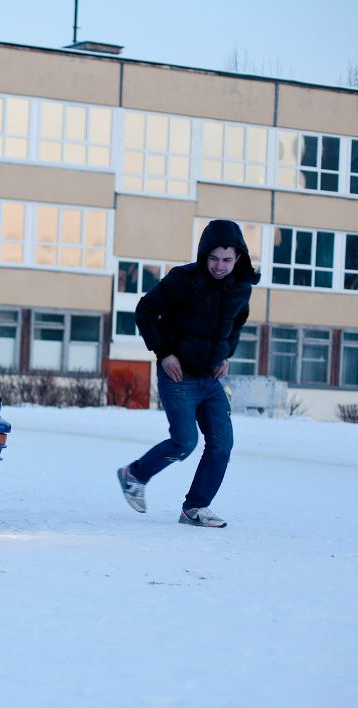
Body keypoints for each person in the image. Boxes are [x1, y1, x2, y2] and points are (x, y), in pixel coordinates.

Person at [116, 219, 260, 528]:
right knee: (184, 441)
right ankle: (134, 475)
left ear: (238, 258)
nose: (219, 266)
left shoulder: (241, 288)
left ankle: (195, 508)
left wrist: (227, 354)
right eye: (213, 258)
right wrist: (164, 352)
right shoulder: (182, 280)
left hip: (210, 378)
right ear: (204, 254)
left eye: (227, 259)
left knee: (222, 443)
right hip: (178, 374)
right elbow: (145, 311)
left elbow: (237, 324)